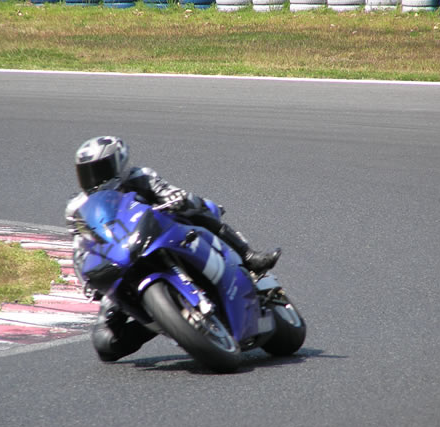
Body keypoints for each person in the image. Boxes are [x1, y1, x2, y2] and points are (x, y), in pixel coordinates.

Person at [66, 136, 281, 362]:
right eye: (86, 172)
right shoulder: (77, 208)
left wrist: (178, 199)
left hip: (163, 235)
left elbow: (172, 193)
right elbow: (80, 247)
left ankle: (248, 256)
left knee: (198, 210)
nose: (94, 178)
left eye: (100, 169)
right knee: (105, 344)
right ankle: (162, 320)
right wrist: (87, 280)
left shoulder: (141, 177)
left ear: (119, 163)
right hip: (121, 258)